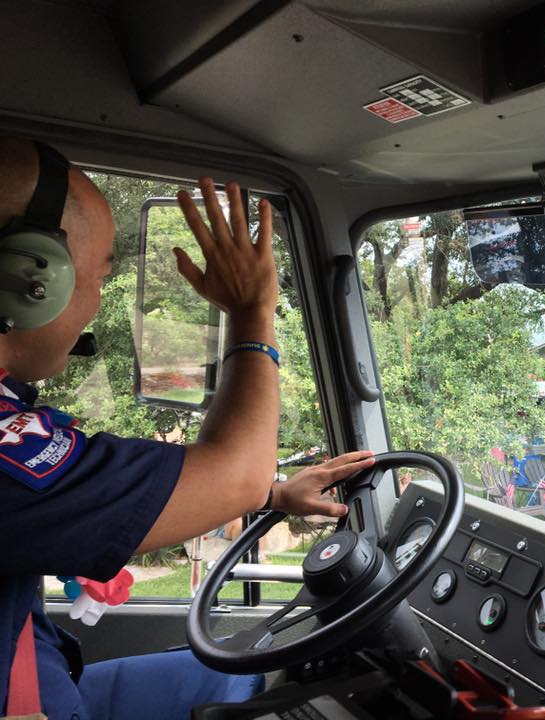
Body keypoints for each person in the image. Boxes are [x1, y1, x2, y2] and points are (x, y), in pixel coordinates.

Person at [0, 138, 377, 719]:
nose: (97, 305)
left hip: (39, 682)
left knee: (246, 681)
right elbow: (232, 474)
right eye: (97, 278)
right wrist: (253, 310)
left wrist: (269, 491)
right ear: (31, 277)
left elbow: (58, 490)